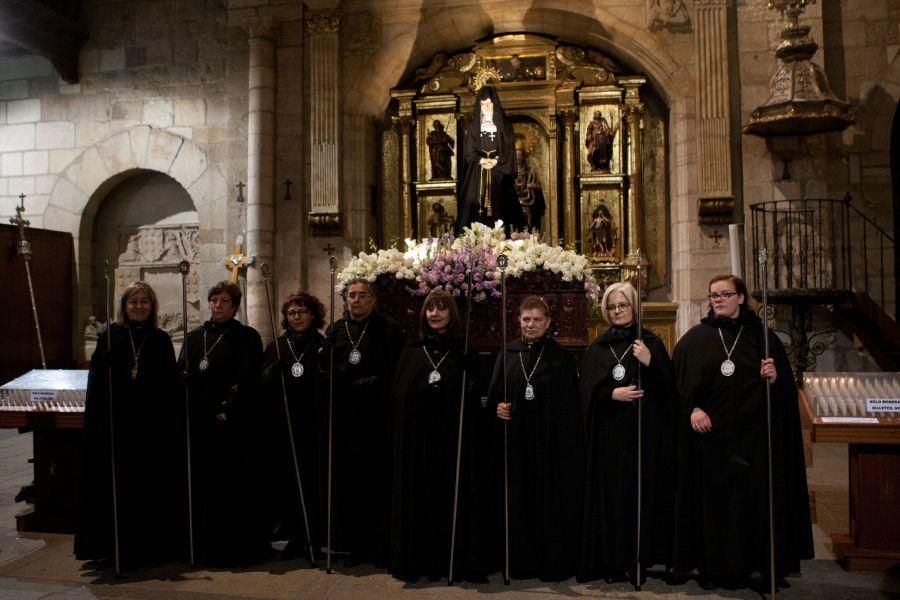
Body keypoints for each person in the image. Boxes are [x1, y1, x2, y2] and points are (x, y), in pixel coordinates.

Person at [671, 275, 813, 590]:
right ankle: (714, 568)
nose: (718, 299)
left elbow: (786, 397)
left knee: (754, 505)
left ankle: (756, 565)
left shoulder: (763, 338)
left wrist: (775, 379)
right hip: (711, 444)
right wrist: (693, 409)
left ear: (740, 297)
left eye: (724, 294)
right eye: (713, 295)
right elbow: (678, 389)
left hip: (754, 442)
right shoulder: (695, 339)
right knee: (715, 509)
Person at [75, 282, 179, 571]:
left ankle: (147, 548)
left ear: (152, 306)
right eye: (133, 302)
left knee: (145, 489)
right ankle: (109, 547)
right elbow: (96, 384)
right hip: (116, 428)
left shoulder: (159, 339)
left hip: (148, 430)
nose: (139, 307)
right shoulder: (110, 337)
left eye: (144, 302)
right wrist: (104, 367)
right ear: (124, 306)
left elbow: (168, 385)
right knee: (114, 487)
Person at [389, 290, 491, 581]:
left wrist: (467, 388)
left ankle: (453, 560)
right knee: (421, 500)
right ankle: (419, 561)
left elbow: (476, 395)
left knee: (451, 499)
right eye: (430, 308)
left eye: (441, 309)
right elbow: (399, 394)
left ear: (452, 314)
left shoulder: (464, 349)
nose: (435, 314)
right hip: (419, 441)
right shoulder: (412, 349)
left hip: (452, 441)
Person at [578, 282, 676, 583]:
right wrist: (611, 395)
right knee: (611, 497)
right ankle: (611, 560)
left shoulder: (651, 343)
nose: (617, 311)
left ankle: (639, 559)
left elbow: (670, 390)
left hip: (644, 434)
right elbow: (586, 393)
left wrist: (650, 361)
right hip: (609, 436)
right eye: (611, 307)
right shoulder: (598, 346)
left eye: (622, 305)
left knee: (640, 495)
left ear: (635, 307)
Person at [489, 295, 584, 581]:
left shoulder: (560, 357)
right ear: (518, 321)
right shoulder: (507, 353)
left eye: (537, 320)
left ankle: (548, 561)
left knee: (548, 502)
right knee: (517, 501)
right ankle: (520, 561)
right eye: (526, 319)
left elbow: (569, 405)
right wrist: (499, 407)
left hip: (549, 446)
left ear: (548, 323)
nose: (530, 325)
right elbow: (495, 395)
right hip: (516, 444)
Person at [179, 281, 269, 567]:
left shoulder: (246, 337)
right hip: (200, 424)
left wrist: (226, 407)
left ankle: (236, 549)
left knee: (232, 487)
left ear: (235, 306)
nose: (218, 306)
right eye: (214, 300)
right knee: (204, 487)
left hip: (233, 424)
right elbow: (183, 371)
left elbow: (248, 378)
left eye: (224, 302)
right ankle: (204, 547)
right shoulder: (195, 337)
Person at [321, 278, 405, 567]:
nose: (355, 300)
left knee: (378, 481)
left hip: (377, 415)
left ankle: (380, 545)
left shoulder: (388, 328)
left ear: (373, 299)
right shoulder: (335, 330)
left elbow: (397, 369)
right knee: (350, 483)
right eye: (351, 295)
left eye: (362, 295)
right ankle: (353, 545)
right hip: (346, 416)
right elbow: (326, 369)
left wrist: (376, 383)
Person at [262, 291, 326, 559]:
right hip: (284, 425)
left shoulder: (322, 345)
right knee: (287, 482)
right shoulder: (277, 346)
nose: (296, 317)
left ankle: (315, 536)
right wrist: (270, 372)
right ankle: (293, 536)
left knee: (314, 483)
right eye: (291, 313)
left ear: (313, 315)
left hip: (313, 424)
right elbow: (261, 383)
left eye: (302, 312)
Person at [456, 86, 527, 233]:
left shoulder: (505, 126)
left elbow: (508, 151)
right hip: (478, 174)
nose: (486, 107)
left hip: (498, 173)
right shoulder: (473, 127)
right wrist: (481, 161)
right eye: (483, 104)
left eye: (489, 103)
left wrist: (496, 161)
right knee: (473, 209)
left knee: (502, 206)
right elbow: (469, 152)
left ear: (494, 103)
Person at [514, 141, 546, 231]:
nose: (517, 158)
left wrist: (531, 186)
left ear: (523, 157)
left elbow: (539, 186)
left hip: (528, 202)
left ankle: (530, 232)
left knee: (529, 218)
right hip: (516, 201)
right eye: (516, 155)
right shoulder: (511, 172)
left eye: (519, 155)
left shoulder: (530, 172)